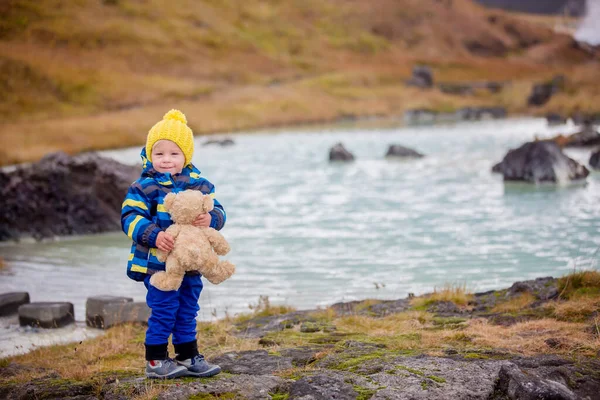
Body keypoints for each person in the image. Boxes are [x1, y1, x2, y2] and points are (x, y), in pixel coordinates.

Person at [121, 109, 226, 379]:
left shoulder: (201, 185)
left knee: (188, 309)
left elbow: (220, 211)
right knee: (165, 307)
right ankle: (156, 360)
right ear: (149, 155)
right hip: (157, 266)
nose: (166, 160)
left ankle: (188, 355)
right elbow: (130, 217)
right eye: (159, 154)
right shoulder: (144, 186)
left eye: (173, 153)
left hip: (192, 264)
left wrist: (211, 219)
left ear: (186, 156)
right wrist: (154, 235)